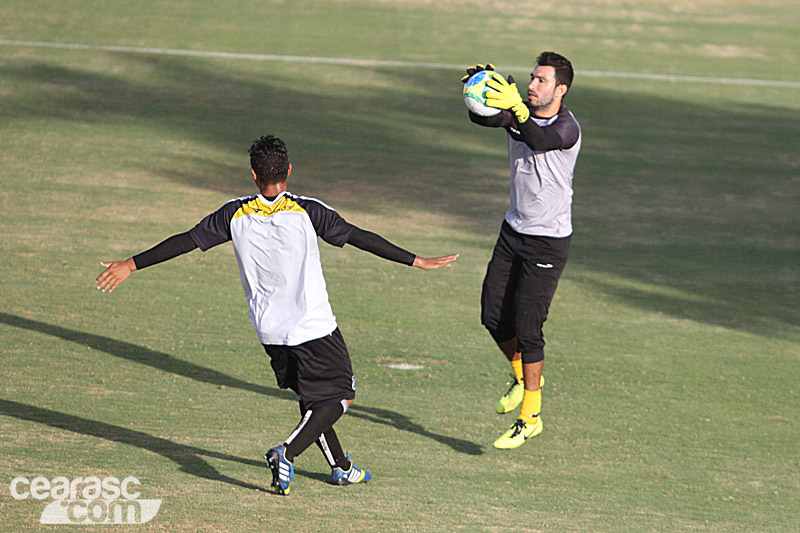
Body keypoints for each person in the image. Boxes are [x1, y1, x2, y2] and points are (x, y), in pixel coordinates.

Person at [95, 135, 458, 494]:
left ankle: (341, 467)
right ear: (289, 171)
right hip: (313, 327)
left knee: (311, 401)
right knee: (340, 397)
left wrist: (130, 264)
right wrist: (416, 260)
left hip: (269, 332)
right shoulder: (307, 210)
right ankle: (286, 452)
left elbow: (185, 240)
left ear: (253, 174)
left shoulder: (232, 214)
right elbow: (357, 236)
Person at [462, 52, 581, 449]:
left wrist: (516, 110)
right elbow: (481, 118)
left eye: (542, 81)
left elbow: (541, 139)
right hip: (513, 231)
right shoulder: (519, 113)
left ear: (560, 89)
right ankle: (521, 374)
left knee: (528, 327)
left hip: (548, 241)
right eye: (531, 78)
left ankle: (531, 416)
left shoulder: (567, 127)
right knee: (492, 313)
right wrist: (477, 93)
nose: (532, 85)